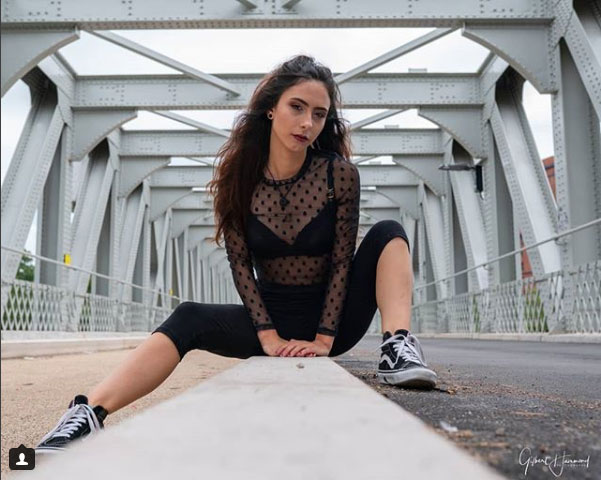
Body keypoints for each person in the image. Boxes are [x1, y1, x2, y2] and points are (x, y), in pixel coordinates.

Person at [35, 55, 437, 455]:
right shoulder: (239, 180)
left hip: (336, 318)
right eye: (297, 108)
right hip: (271, 315)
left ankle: (397, 347)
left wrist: (323, 339)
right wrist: (268, 335)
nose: (307, 124)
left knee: (388, 233)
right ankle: (87, 413)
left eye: (318, 114)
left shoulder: (339, 174)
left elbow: (340, 261)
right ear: (270, 109)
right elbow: (240, 264)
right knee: (189, 315)